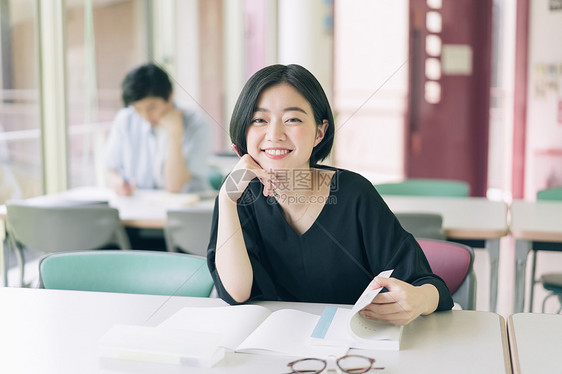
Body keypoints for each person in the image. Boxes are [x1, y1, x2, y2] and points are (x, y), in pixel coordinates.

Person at [207, 64, 453, 326]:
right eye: (259, 120)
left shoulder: (354, 194)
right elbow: (237, 293)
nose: (274, 134)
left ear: (319, 132)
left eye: (293, 119)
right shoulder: (237, 196)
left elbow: (428, 285)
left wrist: (418, 299)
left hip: (350, 351)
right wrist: (227, 199)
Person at [105, 63, 209, 195]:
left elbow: (174, 186)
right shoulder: (125, 119)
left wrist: (175, 134)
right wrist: (118, 183)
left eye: (151, 108)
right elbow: (110, 172)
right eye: (138, 109)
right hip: (140, 207)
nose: (146, 116)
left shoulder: (196, 123)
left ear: (170, 96)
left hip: (185, 210)